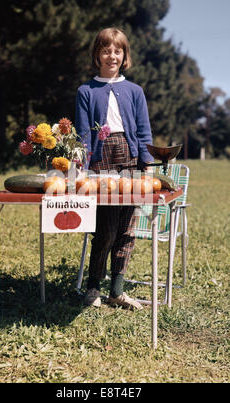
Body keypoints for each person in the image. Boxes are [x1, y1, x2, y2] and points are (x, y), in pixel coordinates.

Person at [75, 27, 153, 310]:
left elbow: (143, 132)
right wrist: (81, 167)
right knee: (105, 230)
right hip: (101, 162)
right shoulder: (86, 91)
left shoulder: (135, 91)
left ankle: (117, 291)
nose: (112, 55)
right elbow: (83, 135)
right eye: (106, 50)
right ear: (97, 54)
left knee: (127, 230)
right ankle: (93, 288)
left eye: (117, 51)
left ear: (124, 55)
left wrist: (146, 166)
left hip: (130, 159)